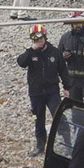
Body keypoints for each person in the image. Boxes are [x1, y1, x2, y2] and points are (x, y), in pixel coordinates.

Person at [18, 24, 67, 155]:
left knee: (59, 116)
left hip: (52, 92)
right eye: (35, 39)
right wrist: (30, 50)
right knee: (38, 119)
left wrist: (67, 87)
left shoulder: (55, 52)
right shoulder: (30, 53)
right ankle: (40, 147)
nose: (39, 41)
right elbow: (21, 62)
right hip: (36, 93)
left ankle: (68, 143)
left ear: (45, 37)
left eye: (40, 38)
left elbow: (63, 70)